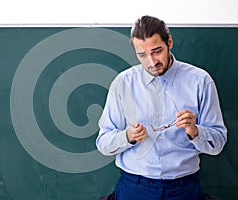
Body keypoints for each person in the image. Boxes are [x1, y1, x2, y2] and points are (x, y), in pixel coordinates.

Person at [96, 15, 227, 200]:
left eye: (157, 51)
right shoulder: (123, 83)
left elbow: (218, 143)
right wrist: (127, 136)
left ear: (169, 42)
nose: (151, 61)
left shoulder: (200, 81)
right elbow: (103, 143)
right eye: (142, 55)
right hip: (134, 188)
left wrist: (195, 131)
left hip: (183, 188)